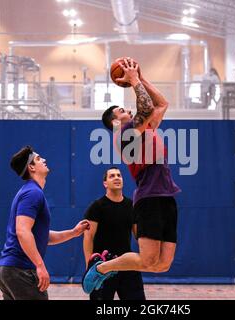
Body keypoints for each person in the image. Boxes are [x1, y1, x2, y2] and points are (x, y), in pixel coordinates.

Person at [82, 58, 181, 294]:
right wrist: (134, 81)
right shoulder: (124, 134)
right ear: (116, 120)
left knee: (162, 264)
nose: (127, 110)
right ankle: (102, 268)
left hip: (166, 196)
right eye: (121, 110)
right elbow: (146, 108)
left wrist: (140, 76)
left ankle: (108, 266)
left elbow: (161, 104)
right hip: (149, 198)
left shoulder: (142, 128)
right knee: (147, 261)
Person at [0, 145, 90, 300]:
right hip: (21, 271)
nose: (44, 160)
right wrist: (40, 266)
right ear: (31, 167)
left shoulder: (31, 191)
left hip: (11, 270)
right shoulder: (32, 193)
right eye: (39, 158)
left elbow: (42, 237)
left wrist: (73, 233)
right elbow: (22, 231)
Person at [83, 167, 146, 300]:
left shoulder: (132, 205)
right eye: (112, 176)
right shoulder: (97, 207)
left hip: (128, 264)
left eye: (119, 175)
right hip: (103, 267)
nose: (117, 178)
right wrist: (90, 267)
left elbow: (138, 235)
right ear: (105, 183)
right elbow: (88, 237)